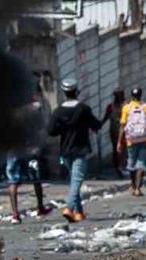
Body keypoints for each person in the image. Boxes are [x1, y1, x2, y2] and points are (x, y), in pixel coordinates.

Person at [47, 78, 102, 223]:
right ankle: (69, 208)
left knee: (74, 181)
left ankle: (78, 213)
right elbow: (96, 125)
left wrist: (63, 128)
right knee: (76, 182)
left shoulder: (58, 111)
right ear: (76, 91)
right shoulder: (83, 109)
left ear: (64, 92)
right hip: (80, 150)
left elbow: (51, 131)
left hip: (65, 151)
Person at [119, 87, 146, 197]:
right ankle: (138, 189)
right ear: (141, 95)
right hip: (144, 139)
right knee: (141, 163)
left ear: (131, 96)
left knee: (131, 163)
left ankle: (133, 185)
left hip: (131, 140)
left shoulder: (126, 108)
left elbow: (122, 125)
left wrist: (119, 142)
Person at [3, 149, 47, 224]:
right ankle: (40, 208)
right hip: (28, 149)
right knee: (35, 178)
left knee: (13, 181)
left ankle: (15, 214)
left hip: (13, 150)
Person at [102, 88, 126, 177]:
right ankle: (121, 166)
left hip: (113, 130)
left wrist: (98, 125)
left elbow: (105, 118)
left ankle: (117, 166)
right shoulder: (125, 106)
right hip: (123, 130)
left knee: (116, 149)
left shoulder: (110, 106)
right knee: (122, 149)